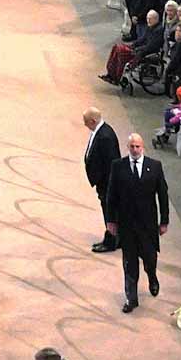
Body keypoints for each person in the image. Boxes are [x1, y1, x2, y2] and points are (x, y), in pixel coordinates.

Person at [103, 132, 169, 312]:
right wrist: (110, 220)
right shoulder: (118, 166)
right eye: (131, 146)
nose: (134, 150)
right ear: (128, 147)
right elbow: (111, 196)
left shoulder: (154, 166)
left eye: (137, 146)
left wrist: (164, 221)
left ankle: (152, 277)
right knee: (129, 264)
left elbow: (163, 195)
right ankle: (131, 298)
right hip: (127, 225)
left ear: (143, 147)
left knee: (150, 259)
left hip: (148, 225)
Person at [81, 108, 121, 252]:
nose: (85, 125)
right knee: (109, 209)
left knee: (109, 211)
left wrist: (110, 185)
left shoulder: (105, 136)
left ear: (93, 121)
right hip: (103, 181)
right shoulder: (101, 132)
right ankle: (116, 237)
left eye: (86, 122)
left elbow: (111, 163)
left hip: (107, 182)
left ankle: (111, 240)